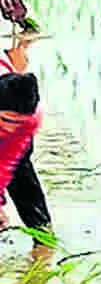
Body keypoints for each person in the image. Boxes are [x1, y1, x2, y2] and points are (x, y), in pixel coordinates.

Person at [0, 36, 51, 231]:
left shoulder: (31, 118)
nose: (11, 129)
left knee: (21, 172)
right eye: (6, 120)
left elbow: (6, 162)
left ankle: (44, 236)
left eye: (17, 123)